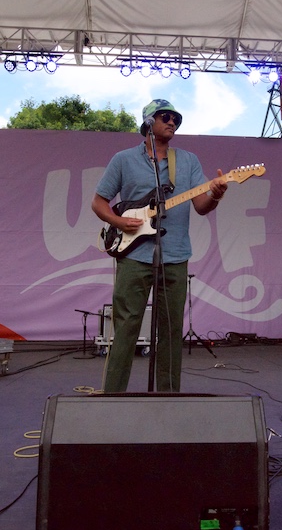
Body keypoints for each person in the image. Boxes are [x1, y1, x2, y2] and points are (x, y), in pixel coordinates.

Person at [92, 99, 228, 392]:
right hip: (134, 256)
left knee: (170, 330)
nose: (172, 122)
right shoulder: (123, 159)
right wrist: (119, 223)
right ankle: (111, 398)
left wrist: (216, 194)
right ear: (148, 123)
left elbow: (201, 207)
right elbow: (98, 202)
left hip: (176, 256)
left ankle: (169, 398)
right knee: (126, 327)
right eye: (165, 117)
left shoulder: (188, 161)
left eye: (176, 119)